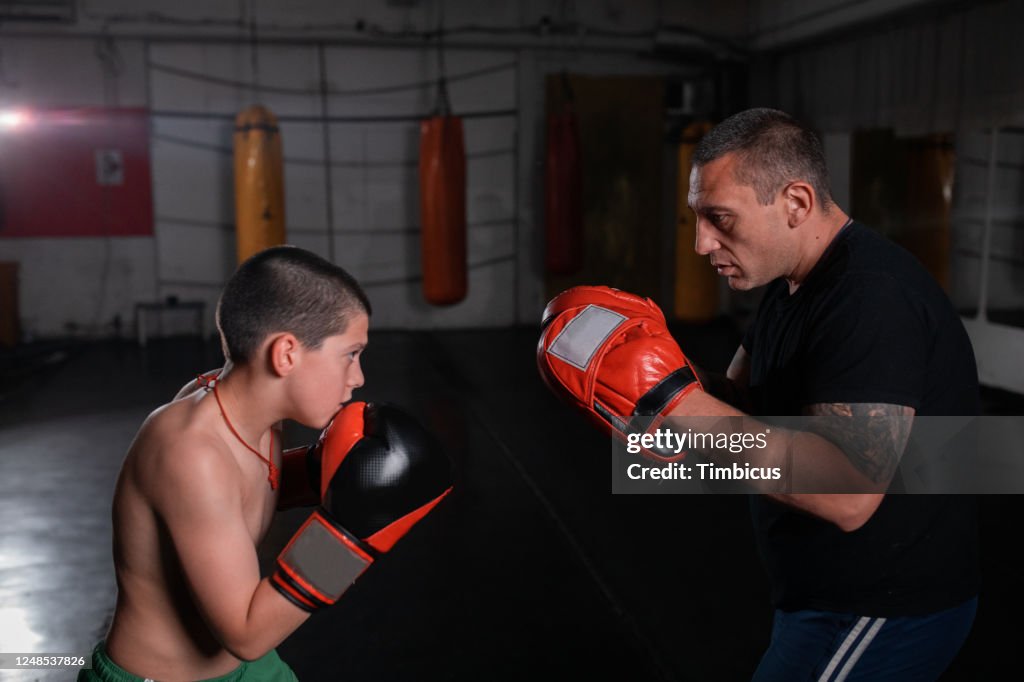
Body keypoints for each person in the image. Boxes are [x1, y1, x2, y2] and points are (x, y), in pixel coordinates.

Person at [538, 108, 979, 680]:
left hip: (878, 609)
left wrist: (668, 399)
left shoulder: (870, 300)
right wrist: (641, 372)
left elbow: (848, 490)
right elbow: (737, 401)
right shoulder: (793, 284)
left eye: (720, 219)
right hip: (820, 595)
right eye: (698, 218)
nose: (700, 243)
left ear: (795, 203)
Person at [81, 246, 452, 681]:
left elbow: (245, 490)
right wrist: (351, 537)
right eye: (350, 354)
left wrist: (322, 471)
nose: (358, 377)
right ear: (287, 354)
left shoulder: (246, 412)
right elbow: (246, 632)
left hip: (249, 669)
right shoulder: (192, 455)